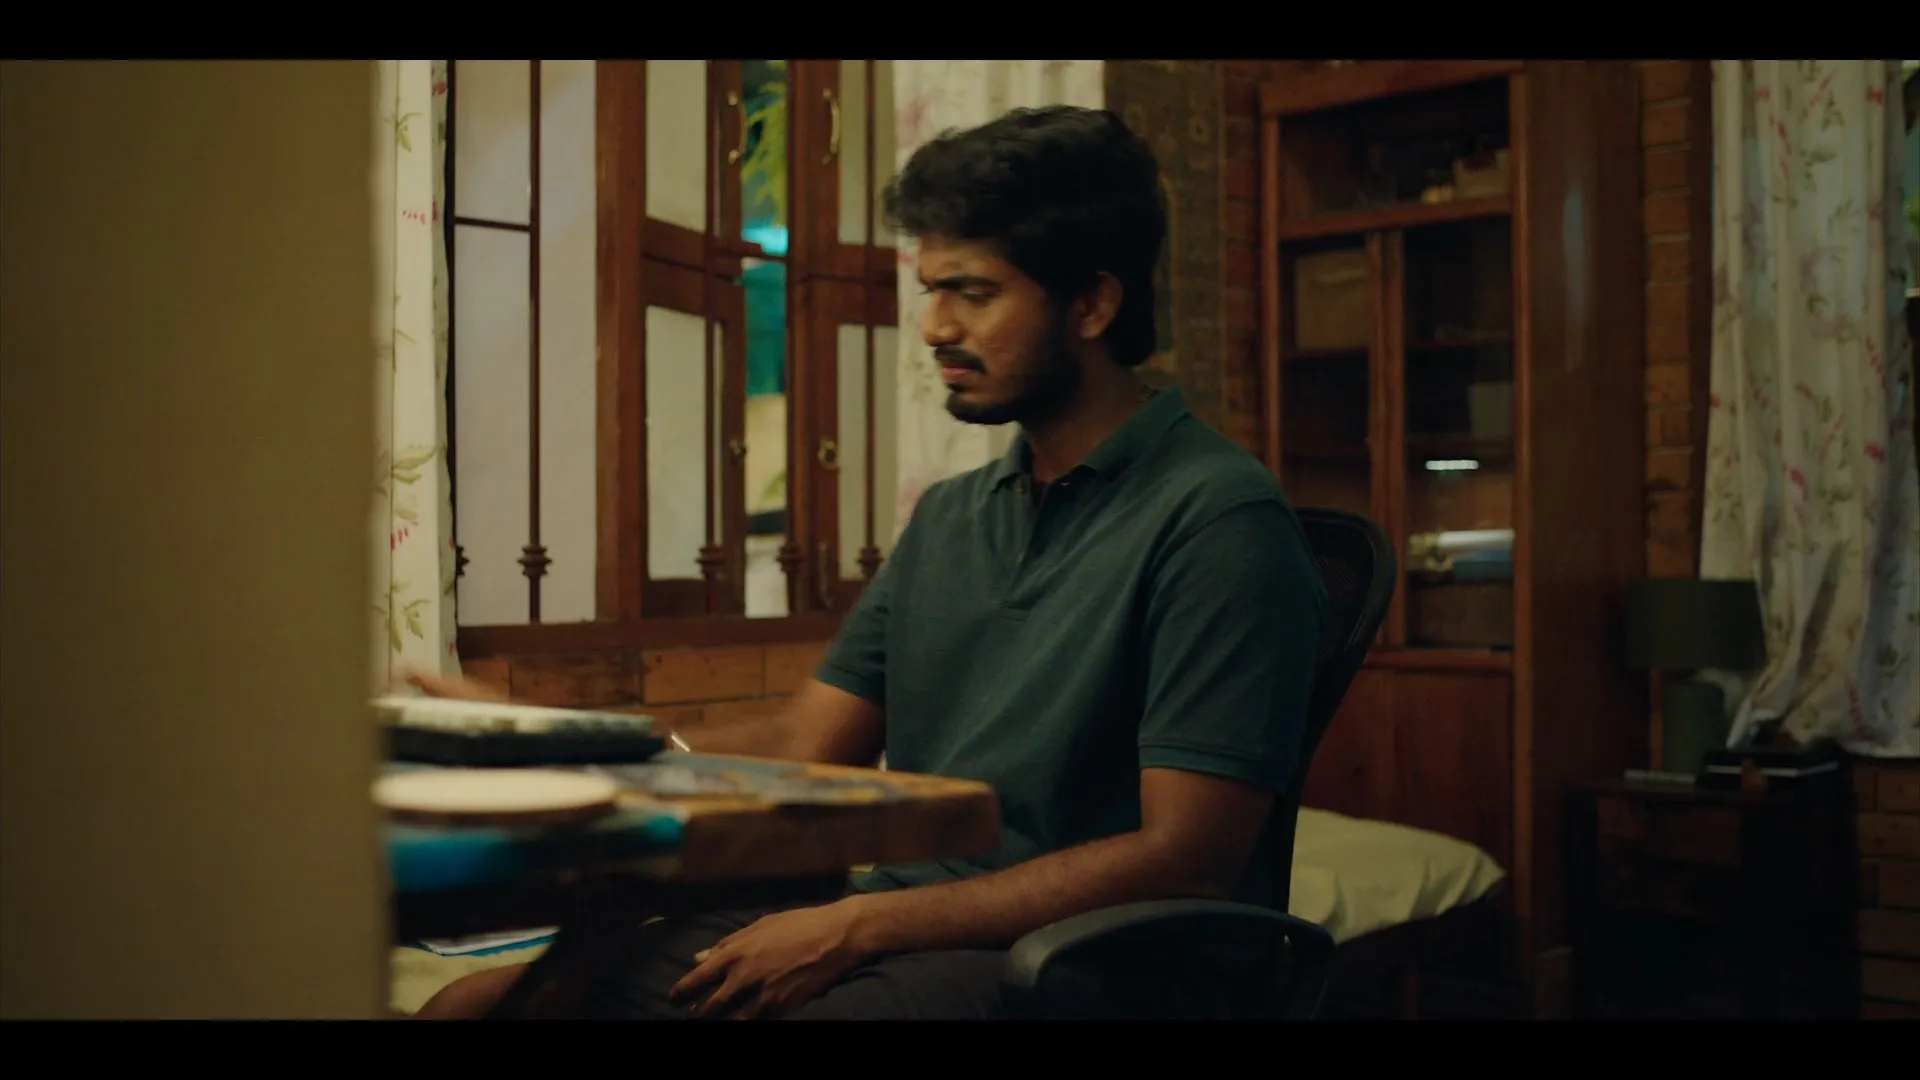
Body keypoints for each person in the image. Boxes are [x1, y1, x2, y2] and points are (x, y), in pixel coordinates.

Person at [413, 104, 1327, 1021]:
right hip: (901, 921)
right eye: (930, 290)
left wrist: (859, 925)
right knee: (478, 1004)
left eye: (972, 293)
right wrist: (561, 742)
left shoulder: (1218, 518)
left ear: (1092, 303)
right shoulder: (953, 515)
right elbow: (802, 750)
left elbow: (1184, 858)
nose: (932, 327)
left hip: (1091, 962)